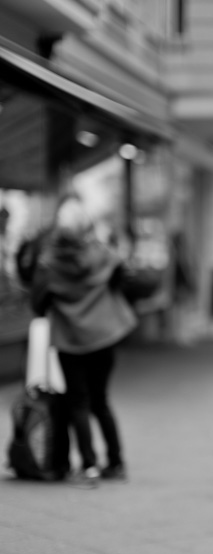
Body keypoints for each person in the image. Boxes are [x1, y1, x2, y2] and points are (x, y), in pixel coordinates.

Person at [29, 195, 138, 486]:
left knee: (78, 402)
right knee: (100, 400)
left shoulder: (49, 262)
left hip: (70, 338)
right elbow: (125, 275)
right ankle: (115, 462)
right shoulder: (100, 252)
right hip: (104, 334)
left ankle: (88, 466)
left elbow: (38, 303)